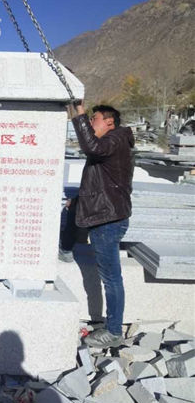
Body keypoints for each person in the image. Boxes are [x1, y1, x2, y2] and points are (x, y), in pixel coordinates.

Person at [68, 101, 134, 347]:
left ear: (109, 122)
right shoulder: (113, 143)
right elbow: (100, 180)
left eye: (94, 119)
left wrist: (80, 113)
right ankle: (65, 250)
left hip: (108, 220)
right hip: (105, 215)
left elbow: (91, 147)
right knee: (110, 276)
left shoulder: (114, 140)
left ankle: (114, 332)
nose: (90, 123)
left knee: (111, 278)